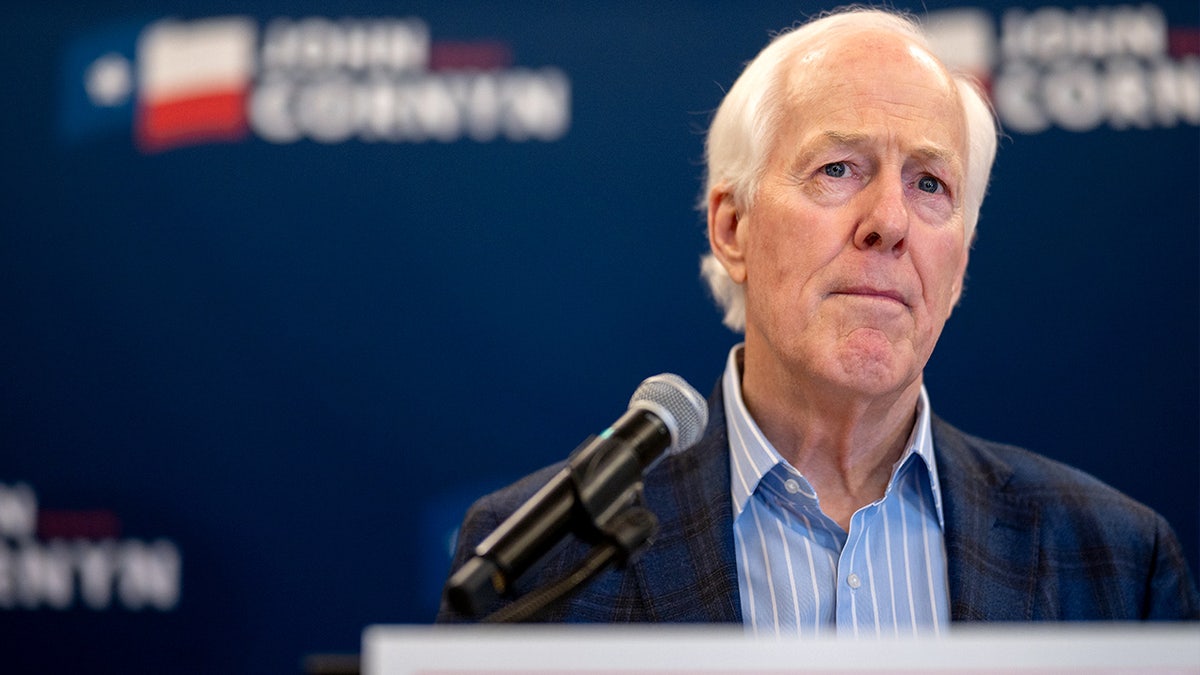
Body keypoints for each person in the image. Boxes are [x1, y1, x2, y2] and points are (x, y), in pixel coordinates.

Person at [437, 7, 1200, 631]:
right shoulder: (543, 563)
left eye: (930, 184)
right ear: (732, 228)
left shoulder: (1117, 563)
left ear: (960, 262)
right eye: (838, 168)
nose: (889, 222)